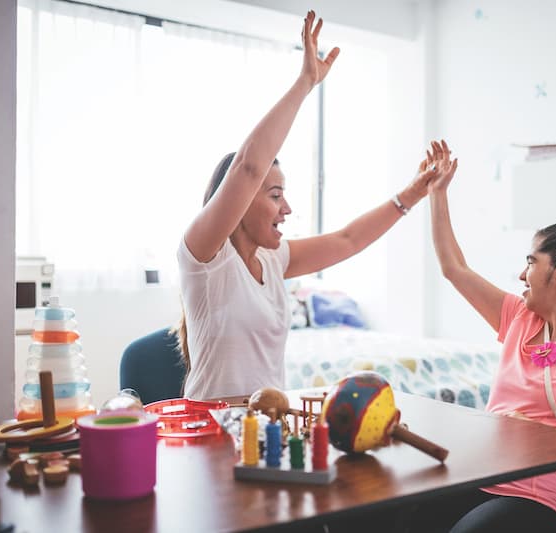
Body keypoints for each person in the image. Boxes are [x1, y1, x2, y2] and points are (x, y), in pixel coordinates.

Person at [175, 11, 443, 401]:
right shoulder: (204, 257)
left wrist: (413, 194)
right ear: (239, 202)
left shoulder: (273, 259)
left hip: (268, 428)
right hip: (213, 429)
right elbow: (249, 167)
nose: (287, 209)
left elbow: (348, 240)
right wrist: (305, 83)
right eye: (275, 195)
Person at [419, 141, 556, 533]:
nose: (522, 275)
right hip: (483, 479)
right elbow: (454, 268)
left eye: (531, 263)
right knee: (398, 512)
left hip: (546, 501)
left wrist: (534, 438)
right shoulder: (519, 316)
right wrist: (437, 194)